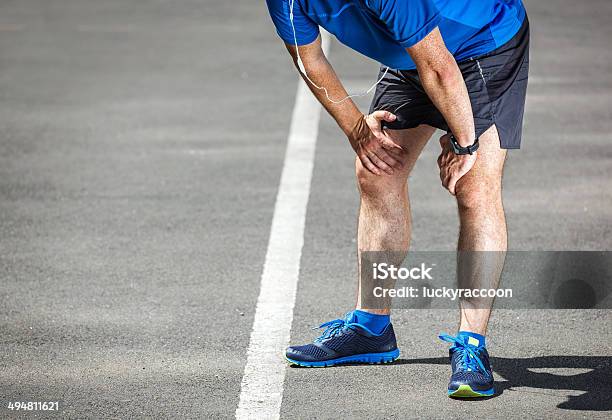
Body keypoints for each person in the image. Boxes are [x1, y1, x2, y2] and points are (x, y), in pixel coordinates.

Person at [265, 0, 529, 398]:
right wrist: (358, 130)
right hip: (415, 52)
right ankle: (371, 329)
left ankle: (472, 344)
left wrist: (464, 141)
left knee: (474, 185)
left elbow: (439, 67)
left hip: (482, 45)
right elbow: (309, 58)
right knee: (377, 171)